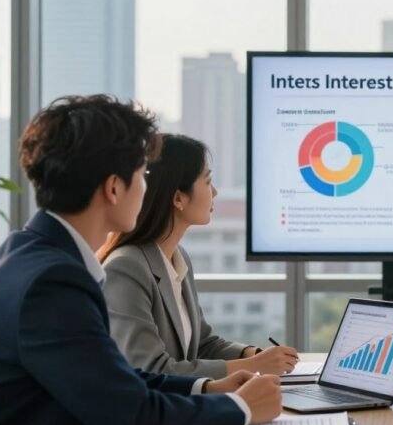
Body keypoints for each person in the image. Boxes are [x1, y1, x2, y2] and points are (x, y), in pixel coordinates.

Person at [0, 96, 284, 425]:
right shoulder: (51, 283)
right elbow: (134, 419)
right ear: (114, 188)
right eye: (142, 175)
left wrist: (208, 387)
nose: (146, 187)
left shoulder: (32, 253)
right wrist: (240, 408)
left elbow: (114, 379)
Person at [99, 134, 298, 379]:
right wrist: (256, 365)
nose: (214, 192)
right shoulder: (126, 267)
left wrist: (253, 354)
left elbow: (203, 344)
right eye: (207, 181)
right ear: (178, 198)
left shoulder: (177, 258)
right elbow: (152, 370)